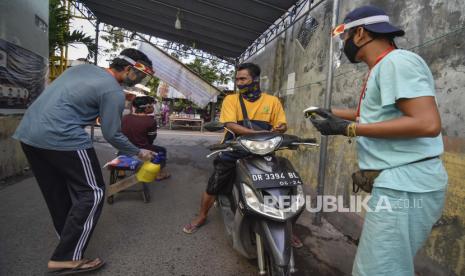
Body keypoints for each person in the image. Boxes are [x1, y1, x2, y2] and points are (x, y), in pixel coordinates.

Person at [309, 6, 448, 276]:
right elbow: (376, 115)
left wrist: (350, 129)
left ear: (360, 33)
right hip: (401, 183)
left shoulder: (397, 63)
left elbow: (427, 123)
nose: (344, 44)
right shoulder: (384, 65)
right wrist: (333, 114)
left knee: (378, 271)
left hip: (407, 186)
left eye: (345, 36)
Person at [13, 48, 156, 274]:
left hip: (29, 134)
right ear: (128, 69)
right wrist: (139, 153)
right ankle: (67, 257)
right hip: (63, 135)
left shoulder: (83, 69)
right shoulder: (113, 91)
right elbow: (112, 134)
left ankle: (67, 239)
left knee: (57, 192)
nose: (138, 81)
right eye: (139, 76)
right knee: (94, 192)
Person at [183, 63, 303, 247]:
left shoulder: (272, 101)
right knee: (216, 181)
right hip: (234, 147)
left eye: (243, 79)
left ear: (255, 80)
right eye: (237, 79)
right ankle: (201, 215)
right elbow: (230, 125)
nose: (239, 83)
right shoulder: (231, 100)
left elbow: (282, 124)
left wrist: (280, 128)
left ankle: (286, 226)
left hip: (265, 148)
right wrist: (256, 134)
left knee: (284, 183)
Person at [122, 96, 171, 180]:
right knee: (162, 150)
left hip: (125, 148)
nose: (153, 108)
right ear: (147, 108)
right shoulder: (150, 121)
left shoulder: (125, 118)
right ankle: (158, 174)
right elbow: (151, 139)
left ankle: (121, 171)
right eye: (152, 106)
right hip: (141, 150)